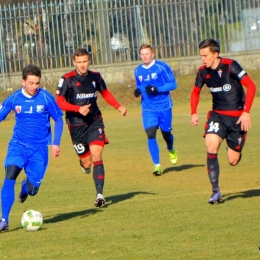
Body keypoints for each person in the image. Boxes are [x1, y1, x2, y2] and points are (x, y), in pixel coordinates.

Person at [56, 48, 127, 208]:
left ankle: (100, 195)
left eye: (85, 61)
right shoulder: (67, 80)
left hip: (95, 122)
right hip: (75, 126)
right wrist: (77, 109)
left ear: (89, 61)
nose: (82, 65)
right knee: (87, 163)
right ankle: (84, 166)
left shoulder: (96, 77)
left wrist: (118, 106)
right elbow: (59, 102)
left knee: (97, 156)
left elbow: (106, 93)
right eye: (79, 62)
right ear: (74, 62)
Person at [190, 38, 256, 204]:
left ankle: (233, 144)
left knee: (233, 161)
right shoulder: (202, 72)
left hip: (237, 119)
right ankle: (216, 191)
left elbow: (251, 86)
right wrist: (193, 113)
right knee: (211, 145)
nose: (203, 59)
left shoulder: (230, 66)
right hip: (217, 116)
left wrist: (246, 112)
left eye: (205, 55)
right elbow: (195, 92)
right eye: (201, 56)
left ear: (216, 54)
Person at [0, 64, 64, 232]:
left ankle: (26, 188)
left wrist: (56, 142)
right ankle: (4, 220)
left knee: (33, 189)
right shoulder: (14, 99)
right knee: (9, 176)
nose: (35, 87)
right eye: (31, 83)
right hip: (18, 146)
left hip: (39, 149)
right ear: (23, 82)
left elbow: (58, 119)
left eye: (37, 83)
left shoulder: (46, 98)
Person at [134, 44, 178, 176]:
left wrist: (157, 89)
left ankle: (171, 148)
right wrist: (137, 91)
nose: (144, 56)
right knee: (151, 133)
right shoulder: (137, 71)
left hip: (164, 106)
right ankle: (157, 165)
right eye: (142, 54)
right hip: (148, 108)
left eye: (147, 53)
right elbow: (139, 85)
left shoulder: (161, 67)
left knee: (166, 134)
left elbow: (173, 84)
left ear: (152, 54)